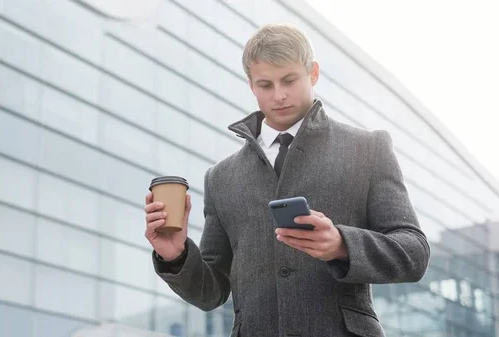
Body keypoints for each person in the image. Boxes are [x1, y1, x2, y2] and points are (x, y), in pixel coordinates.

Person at [144, 23, 430, 337]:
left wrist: (341, 244)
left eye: (289, 80)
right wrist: (176, 254)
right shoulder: (221, 178)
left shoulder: (367, 149)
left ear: (314, 73)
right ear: (251, 85)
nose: (279, 95)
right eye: (265, 84)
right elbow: (211, 291)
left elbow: (414, 253)